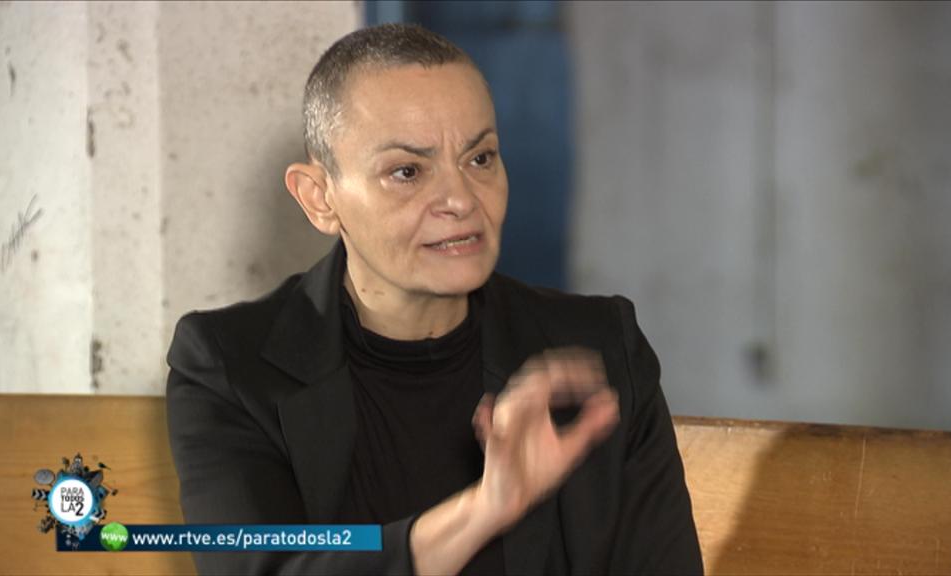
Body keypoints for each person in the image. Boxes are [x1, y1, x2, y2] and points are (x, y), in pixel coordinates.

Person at [166, 23, 702, 576]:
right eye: (407, 171)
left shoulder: (602, 346)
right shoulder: (230, 367)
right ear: (320, 197)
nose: (461, 199)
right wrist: (483, 511)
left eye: (480, 158)